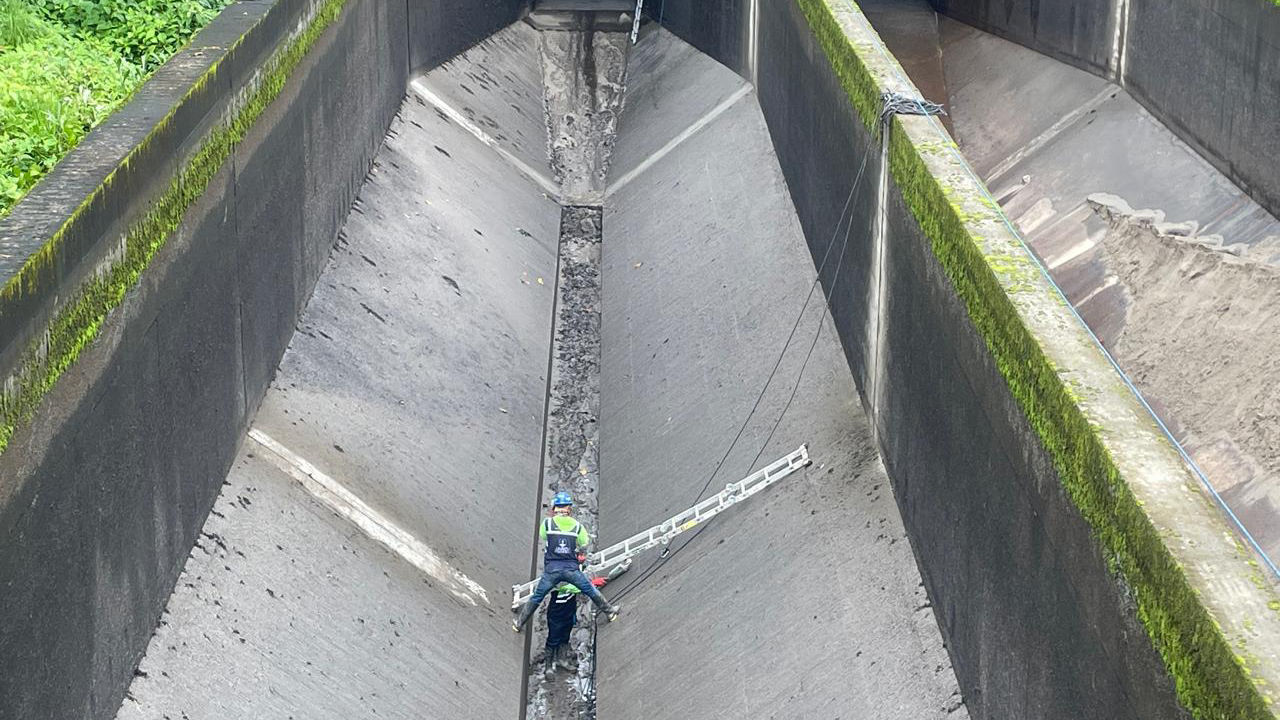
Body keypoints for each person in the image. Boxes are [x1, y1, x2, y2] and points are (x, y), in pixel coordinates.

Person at [513, 491, 619, 632]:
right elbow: (584, 542)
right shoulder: (577, 526)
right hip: (571, 570)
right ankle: (610, 612)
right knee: (590, 590)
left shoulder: (547, 524)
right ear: (569, 508)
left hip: (551, 571)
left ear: (554, 507)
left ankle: (518, 624)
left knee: (537, 597)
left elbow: (543, 536)